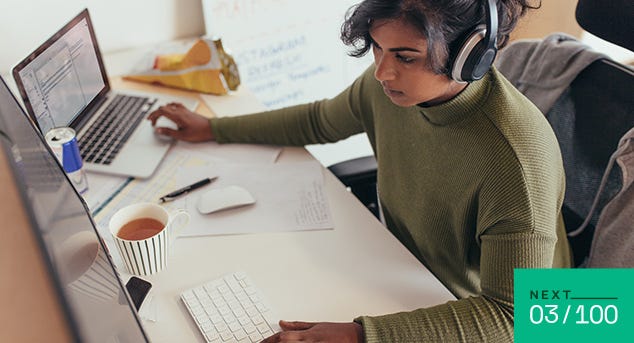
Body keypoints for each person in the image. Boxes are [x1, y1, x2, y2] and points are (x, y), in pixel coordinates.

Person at [148, 0, 572, 341]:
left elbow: (512, 317)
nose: (382, 72)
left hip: (488, 309)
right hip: (402, 266)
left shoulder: (515, 161)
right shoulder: (388, 88)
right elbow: (319, 121)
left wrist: (359, 336)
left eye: (405, 57)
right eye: (378, 48)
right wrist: (213, 128)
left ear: (470, 56)